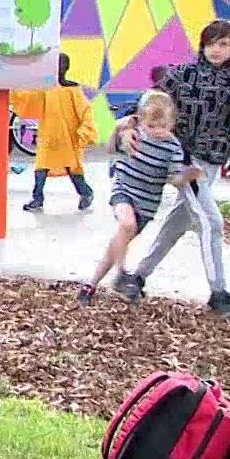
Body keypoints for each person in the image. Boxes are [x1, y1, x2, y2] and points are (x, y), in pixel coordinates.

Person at [114, 20, 230, 315]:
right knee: (211, 222)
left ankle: (137, 277)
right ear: (202, 45)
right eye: (211, 43)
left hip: (212, 164)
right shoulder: (183, 75)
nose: (216, 50)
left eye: (223, 44)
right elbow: (149, 101)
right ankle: (218, 294)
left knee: (177, 224)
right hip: (185, 161)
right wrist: (128, 123)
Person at [78, 90, 200, 306]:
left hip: (147, 204)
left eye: (163, 126)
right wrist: (117, 129)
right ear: (142, 121)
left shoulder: (172, 147)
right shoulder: (135, 133)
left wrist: (188, 176)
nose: (157, 132)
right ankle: (122, 274)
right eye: (151, 126)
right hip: (125, 190)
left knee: (117, 244)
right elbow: (110, 149)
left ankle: (90, 285)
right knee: (127, 224)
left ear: (171, 123)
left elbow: (174, 178)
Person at [16, 53, 98, 213]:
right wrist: (17, 89)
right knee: (41, 167)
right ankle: (37, 198)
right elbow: (30, 99)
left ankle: (86, 193)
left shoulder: (72, 89)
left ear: (66, 68)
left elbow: (85, 110)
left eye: (60, 65)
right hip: (48, 135)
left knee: (72, 168)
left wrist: (84, 130)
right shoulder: (45, 88)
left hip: (69, 136)